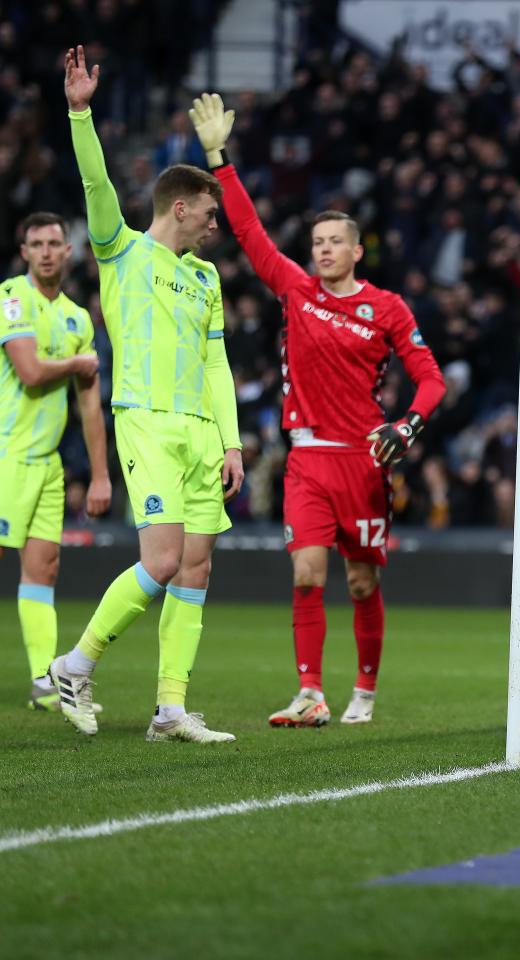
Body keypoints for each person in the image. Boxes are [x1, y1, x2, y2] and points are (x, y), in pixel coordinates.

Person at [189, 93, 446, 726]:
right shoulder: (295, 291)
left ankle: (364, 688)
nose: (323, 250)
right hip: (306, 459)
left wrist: (407, 424)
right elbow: (248, 231)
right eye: (317, 242)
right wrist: (219, 159)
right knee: (306, 575)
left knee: (360, 584)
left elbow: (431, 381)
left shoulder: (387, 309)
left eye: (335, 242)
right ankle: (310, 691)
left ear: (358, 250)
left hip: (363, 463)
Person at [46, 47, 244, 743]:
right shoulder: (122, 252)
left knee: (197, 565)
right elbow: (97, 184)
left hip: (198, 432)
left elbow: (216, 364)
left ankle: (169, 709)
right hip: (147, 424)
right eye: (211, 217)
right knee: (161, 562)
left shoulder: (206, 280)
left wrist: (231, 439)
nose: (217, 229)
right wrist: (80, 113)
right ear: (182, 208)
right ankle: (76, 663)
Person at [1, 211, 111, 710]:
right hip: (7, 455)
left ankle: (46, 683)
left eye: (54, 243)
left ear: (69, 251)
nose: (46, 251)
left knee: (43, 567)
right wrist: (77, 363)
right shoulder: (11, 297)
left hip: (46, 463)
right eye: (36, 244)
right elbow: (27, 370)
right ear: (24, 252)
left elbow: (89, 403)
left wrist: (100, 475)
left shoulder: (77, 318)